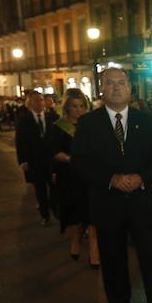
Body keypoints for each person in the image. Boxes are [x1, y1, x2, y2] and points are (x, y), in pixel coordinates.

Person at [73, 66, 152, 303]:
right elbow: (80, 163)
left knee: (151, 262)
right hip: (107, 205)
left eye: (121, 83)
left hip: (141, 204)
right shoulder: (88, 123)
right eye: (110, 83)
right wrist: (111, 178)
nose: (116, 87)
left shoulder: (145, 120)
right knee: (113, 261)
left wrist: (141, 178)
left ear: (130, 88)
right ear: (101, 89)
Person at [49, 89, 97, 264]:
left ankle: (94, 249)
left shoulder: (92, 126)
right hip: (69, 176)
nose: (79, 110)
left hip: (90, 176)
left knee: (92, 213)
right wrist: (73, 160)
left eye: (82, 106)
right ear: (67, 108)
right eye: (75, 106)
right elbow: (55, 152)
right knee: (74, 212)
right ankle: (75, 241)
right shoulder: (59, 126)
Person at [15, 91, 57, 225]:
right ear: (29, 103)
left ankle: (56, 210)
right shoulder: (24, 120)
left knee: (55, 188)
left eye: (41, 100)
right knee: (40, 189)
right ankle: (45, 215)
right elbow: (20, 141)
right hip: (35, 161)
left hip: (52, 161)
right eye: (36, 100)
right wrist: (23, 161)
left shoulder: (53, 117)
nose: (39, 103)